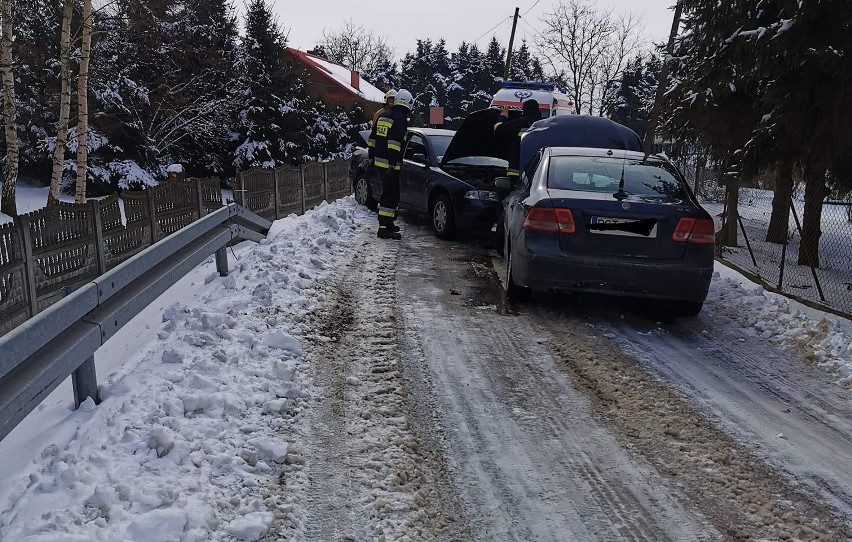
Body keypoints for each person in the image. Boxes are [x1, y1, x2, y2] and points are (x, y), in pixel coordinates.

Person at [491, 99, 542, 238]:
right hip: (537, 174)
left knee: (507, 200)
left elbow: (498, 130)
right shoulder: (544, 125)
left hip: (515, 171)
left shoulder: (520, 122)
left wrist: (503, 116)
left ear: (524, 110)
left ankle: (499, 233)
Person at [367, 89, 413, 240]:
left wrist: (371, 157)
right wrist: (393, 164)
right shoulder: (400, 119)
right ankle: (383, 228)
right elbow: (394, 143)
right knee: (390, 195)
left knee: (392, 193)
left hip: (379, 161)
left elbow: (372, 139)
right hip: (390, 164)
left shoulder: (383, 116)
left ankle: (389, 223)